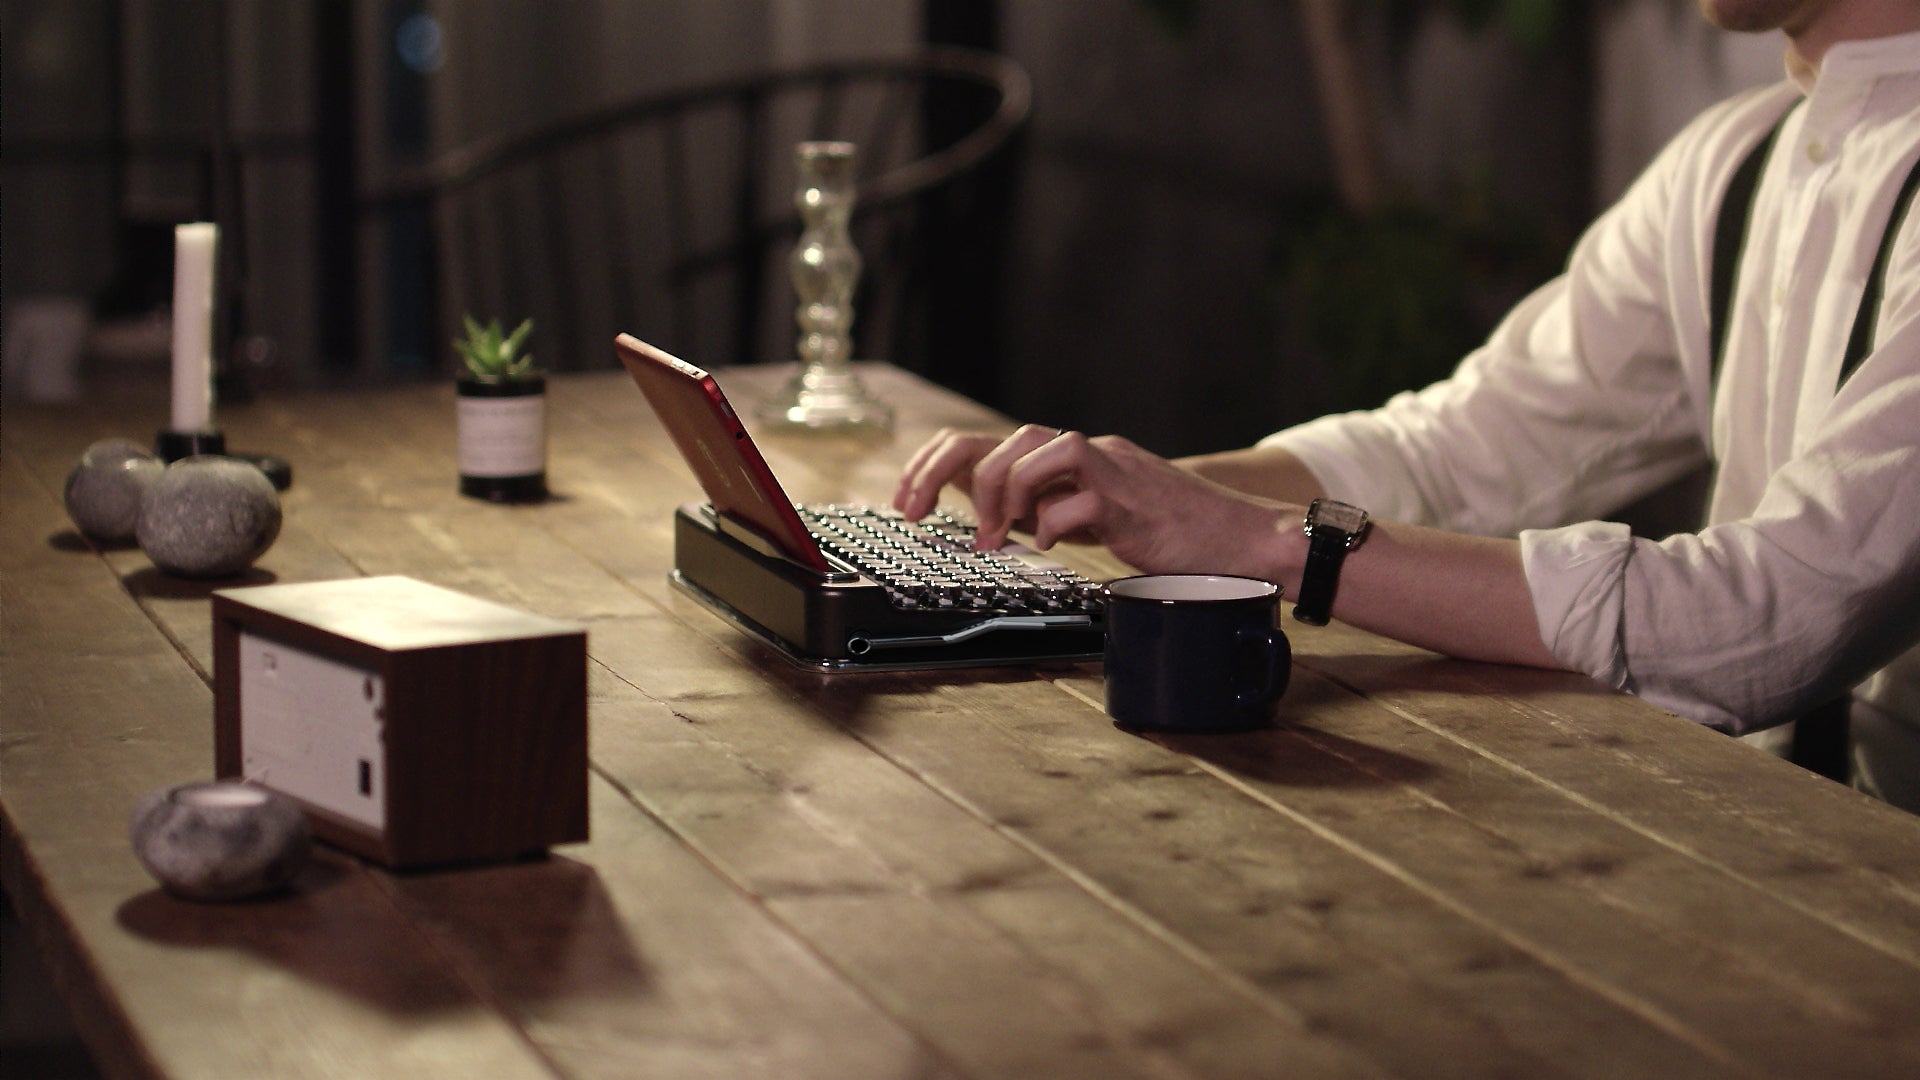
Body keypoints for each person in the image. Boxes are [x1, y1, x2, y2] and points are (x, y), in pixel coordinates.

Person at [892, 0, 1920, 809]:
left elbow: (1769, 616)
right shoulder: (1736, 155)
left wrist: (1259, 542)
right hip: (1768, 826)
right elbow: (1467, 445)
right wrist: (1127, 493)